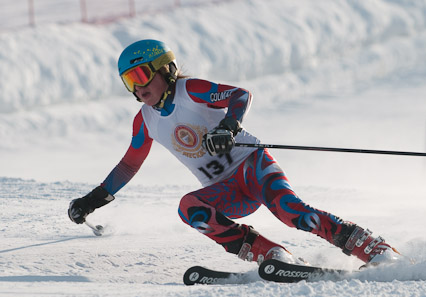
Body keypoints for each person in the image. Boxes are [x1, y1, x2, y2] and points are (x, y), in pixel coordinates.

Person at [68, 39, 400, 267]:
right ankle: (271, 255)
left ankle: (372, 248)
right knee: (190, 208)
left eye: (140, 75)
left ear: (165, 69)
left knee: (291, 211)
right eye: (129, 81)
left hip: (252, 166)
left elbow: (240, 95)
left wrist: (229, 126)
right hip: (228, 190)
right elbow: (129, 164)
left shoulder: (191, 89)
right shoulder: (145, 121)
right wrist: (93, 200)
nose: (137, 87)